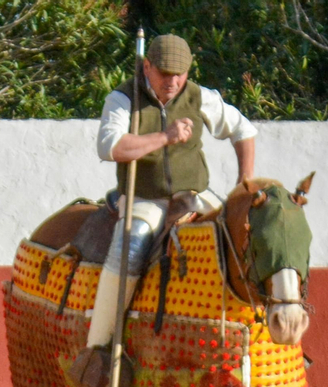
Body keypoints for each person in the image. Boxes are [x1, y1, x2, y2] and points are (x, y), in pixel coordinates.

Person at [84, 33, 258, 354]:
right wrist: (164, 136)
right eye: (165, 72)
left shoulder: (199, 97)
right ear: (147, 66)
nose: (173, 81)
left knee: (238, 236)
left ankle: (259, 329)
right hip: (143, 199)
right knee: (131, 245)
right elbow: (111, 147)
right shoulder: (123, 98)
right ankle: (98, 348)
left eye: (180, 73)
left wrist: (244, 183)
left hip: (192, 195)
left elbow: (242, 129)